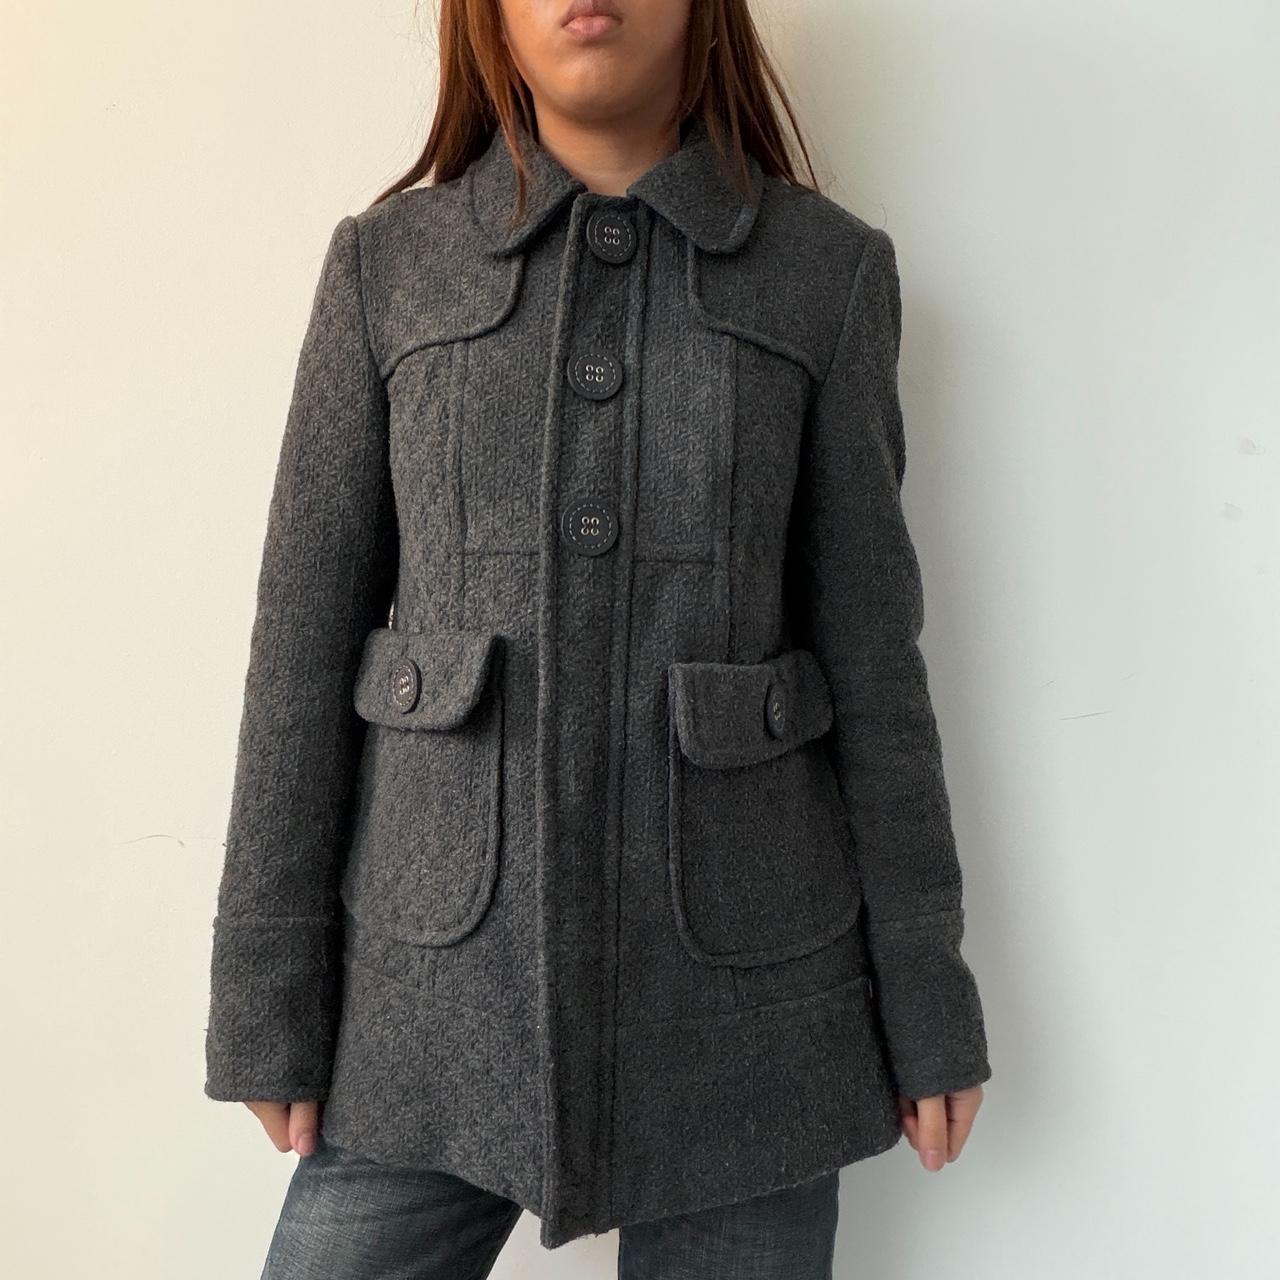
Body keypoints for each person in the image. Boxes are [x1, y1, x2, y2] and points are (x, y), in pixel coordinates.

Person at [203, 1, 993, 1275]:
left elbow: (874, 665)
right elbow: (298, 647)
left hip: (751, 1017)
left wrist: (926, 991)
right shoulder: (385, 268)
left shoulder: (825, 275)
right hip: (427, 1004)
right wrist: (266, 994)